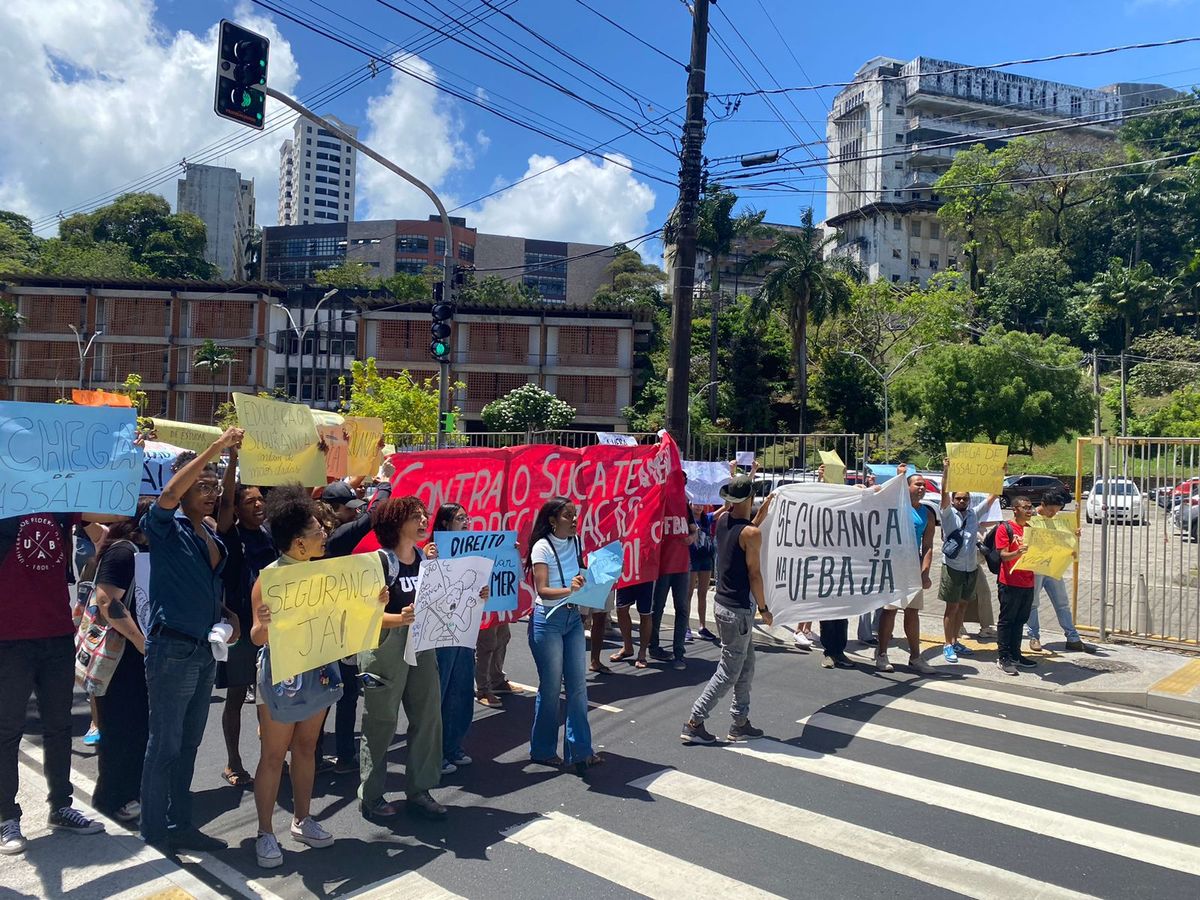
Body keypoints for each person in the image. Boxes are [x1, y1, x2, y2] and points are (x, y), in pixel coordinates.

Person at [140, 428, 243, 853]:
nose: (210, 492)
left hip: (204, 651)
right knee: (164, 744)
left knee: (189, 744)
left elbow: (208, 591)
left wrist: (229, 618)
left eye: (212, 487)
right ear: (182, 487)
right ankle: (154, 831)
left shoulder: (211, 534)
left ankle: (180, 823)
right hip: (172, 650)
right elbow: (167, 493)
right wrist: (216, 449)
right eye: (200, 485)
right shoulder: (164, 527)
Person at [250, 486, 363, 868]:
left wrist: (372, 603)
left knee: (307, 746)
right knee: (272, 755)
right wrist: (263, 625)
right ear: (299, 542)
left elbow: (344, 618)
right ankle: (265, 832)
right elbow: (256, 636)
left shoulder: (325, 573)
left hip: (319, 669)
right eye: (318, 531)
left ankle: (302, 819)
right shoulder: (270, 579)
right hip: (282, 675)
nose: (324, 535)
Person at [1, 510, 110, 856]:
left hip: (57, 634)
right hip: (9, 638)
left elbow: (115, 513)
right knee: (7, 731)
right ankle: (6, 816)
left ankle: (60, 806)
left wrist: (126, 461)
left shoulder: (61, 506)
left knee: (60, 726)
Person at [358, 496, 447, 821]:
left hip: (422, 643)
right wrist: (398, 618)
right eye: (416, 516)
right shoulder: (377, 563)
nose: (424, 521)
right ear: (396, 522)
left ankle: (420, 789)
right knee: (381, 722)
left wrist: (472, 596)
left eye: (425, 516)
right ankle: (371, 795)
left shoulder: (425, 559)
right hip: (386, 647)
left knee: (427, 716)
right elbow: (364, 615)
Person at [681, 472, 773, 744]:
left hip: (722, 603)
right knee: (730, 670)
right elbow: (754, 573)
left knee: (745, 667)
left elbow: (744, 533)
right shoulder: (751, 533)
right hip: (739, 608)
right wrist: (764, 608)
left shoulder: (724, 520)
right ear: (750, 498)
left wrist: (764, 511)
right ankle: (695, 721)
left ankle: (739, 722)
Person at [322, 465, 392, 774]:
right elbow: (372, 516)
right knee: (337, 692)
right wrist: (386, 484)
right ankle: (328, 755)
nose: (353, 513)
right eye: (347, 509)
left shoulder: (329, 533)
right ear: (331, 509)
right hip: (332, 626)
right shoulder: (335, 537)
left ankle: (338, 755)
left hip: (342, 621)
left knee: (345, 690)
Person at [215, 449, 277, 790]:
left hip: (269, 628)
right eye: (249, 501)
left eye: (259, 499)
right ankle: (233, 761)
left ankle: (271, 756)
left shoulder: (268, 534)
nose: (258, 505)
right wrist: (234, 463)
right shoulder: (230, 533)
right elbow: (223, 503)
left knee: (269, 696)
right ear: (237, 509)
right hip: (240, 627)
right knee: (237, 696)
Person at [90, 499, 155, 824]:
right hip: (123, 659)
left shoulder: (143, 552)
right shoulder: (123, 552)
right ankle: (111, 800)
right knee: (120, 731)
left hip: (139, 657)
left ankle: (129, 793)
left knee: (139, 728)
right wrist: (141, 643)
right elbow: (106, 600)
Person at [526, 497, 602, 774]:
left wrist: (590, 589)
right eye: (567, 515)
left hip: (572, 618)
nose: (573, 520)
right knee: (550, 688)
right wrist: (571, 590)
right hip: (548, 621)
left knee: (578, 687)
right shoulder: (541, 547)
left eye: (575, 515)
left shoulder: (576, 541)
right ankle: (543, 750)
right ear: (552, 521)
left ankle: (581, 750)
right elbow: (543, 590)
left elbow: (579, 577)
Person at [424, 503, 488, 775]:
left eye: (467, 518)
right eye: (460, 518)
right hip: (439, 632)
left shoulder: (473, 549)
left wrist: (482, 592)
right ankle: (432, 753)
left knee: (461, 689)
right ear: (445, 524)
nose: (466, 522)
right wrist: (427, 560)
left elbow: (477, 585)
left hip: (464, 630)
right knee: (439, 691)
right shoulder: (430, 551)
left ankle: (453, 746)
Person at [937, 459, 999, 664]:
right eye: (960, 499)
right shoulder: (947, 514)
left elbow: (992, 498)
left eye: (966, 499)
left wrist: (999, 473)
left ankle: (955, 641)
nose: (963, 502)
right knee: (951, 607)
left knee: (962, 606)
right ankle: (947, 644)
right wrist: (946, 470)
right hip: (953, 566)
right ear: (954, 500)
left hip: (970, 567)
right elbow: (943, 492)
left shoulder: (973, 514)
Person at [875, 469, 936, 675]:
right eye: (917, 484)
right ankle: (882, 654)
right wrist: (898, 476)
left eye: (924, 485)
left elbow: (927, 546)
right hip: (893, 565)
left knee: (912, 612)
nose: (921, 488)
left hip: (913, 566)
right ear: (906, 487)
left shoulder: (927, 513)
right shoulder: (894, 507)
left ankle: (915, 657)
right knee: (890, 610)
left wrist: (925, 572)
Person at [1026, 489, 1094, 653]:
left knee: (1062, 602)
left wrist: (1073, 535)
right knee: (1033, 603)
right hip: (1036, 566)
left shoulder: (1059, 519)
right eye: (1051, 510)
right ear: (1042, 505)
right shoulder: (1031, 517)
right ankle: (1033, 636)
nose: (1053, 514)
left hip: (1053, 566)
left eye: (1057, 511)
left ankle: (1073, 638)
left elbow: (1063, 539)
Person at [995, 496, 1039, 676]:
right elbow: (1003, 555)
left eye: (1031, 507)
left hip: (1028, 582)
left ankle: (1015, 653)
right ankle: (1003, 656)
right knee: (1007, 620)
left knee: (1020, 620)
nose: (1030, 511)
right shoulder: (1005, 528)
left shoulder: (1031, 529)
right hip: (1010, 582)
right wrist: (1017, 552)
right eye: (1026, 507)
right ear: (1015, 509)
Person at [611, 581, 655, 669]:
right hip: (626, 574)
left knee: (645, 613)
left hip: (646, 575)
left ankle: (642, 653)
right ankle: (627, 648)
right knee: (621, 609)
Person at [690, 503, 717, 641]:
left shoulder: (707, 518)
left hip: (706, 558)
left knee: (703, 593)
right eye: (696, 504)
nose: (699, 507)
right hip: (692, 559)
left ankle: (702, 626)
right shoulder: (687, 518)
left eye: (701, 504)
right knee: (687, 594)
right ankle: (685, 627)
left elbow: (725, 508)